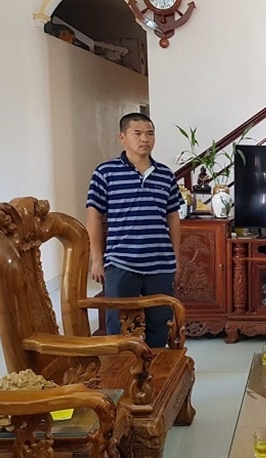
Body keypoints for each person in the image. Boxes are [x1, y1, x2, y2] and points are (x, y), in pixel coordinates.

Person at [86, 112, 182, 348]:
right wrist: (97, 259)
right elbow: (93, 216)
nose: (145, 139)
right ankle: (120, 368)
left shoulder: (165, 175)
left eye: (150, 134)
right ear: (123, 137)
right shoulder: (105, 173)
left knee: (160, 323)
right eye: (137, 133)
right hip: (121, 262)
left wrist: (176, 258)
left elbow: (173, 217)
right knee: (118, 324)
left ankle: (156, 367)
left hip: (160, 263)